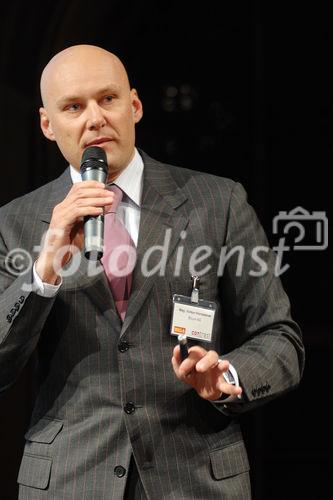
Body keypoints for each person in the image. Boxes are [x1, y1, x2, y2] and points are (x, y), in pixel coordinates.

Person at [0, 45, 304, 500]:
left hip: (195, 478)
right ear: (47, 124)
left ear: (135, 105)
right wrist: (45, 267)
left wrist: (227, 376)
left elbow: (280, 336)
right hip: (70, 479)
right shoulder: (17, 222)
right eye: (74, 106)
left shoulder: (216, 202)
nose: (95, 118)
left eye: (109, 99)